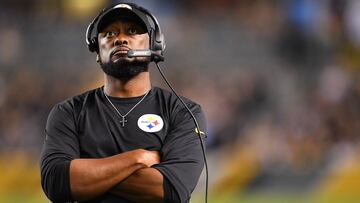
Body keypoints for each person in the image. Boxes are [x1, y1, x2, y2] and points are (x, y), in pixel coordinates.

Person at [39, 2, 206, 203]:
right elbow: (56, 182)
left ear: (154, 44)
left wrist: (87, 173)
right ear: (96, 49)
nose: (120, 39)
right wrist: (137, 159)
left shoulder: (184, 112)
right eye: (109, 34)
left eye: (133, 31)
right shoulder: (68, 112)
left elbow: (171, 189)